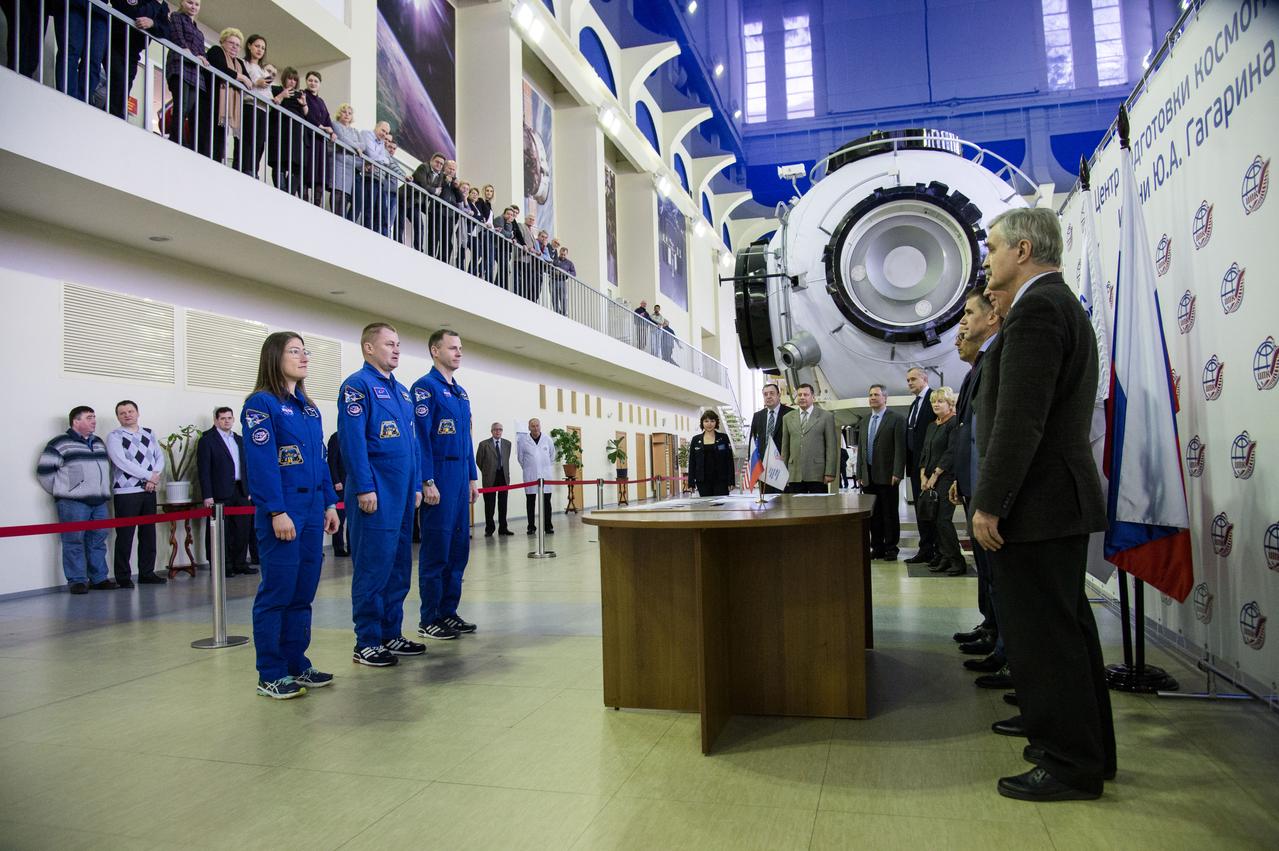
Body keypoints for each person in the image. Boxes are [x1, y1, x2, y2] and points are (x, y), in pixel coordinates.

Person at [971, 207, 1114, 801]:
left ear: (1023, 251)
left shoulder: (1035, 312)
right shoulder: (1058, 305)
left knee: (1047, 640)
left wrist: (990, 503)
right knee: (1068, 632)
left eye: (993, 247)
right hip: (1054, 499)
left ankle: (1067, 763)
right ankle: (1089, 751)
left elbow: (1019, 423)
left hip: (1038, 503)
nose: (987, 258)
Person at [241, 332, 340, 699]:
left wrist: (330, 503)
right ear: (274, 357)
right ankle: (270, 672)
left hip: (314, 509)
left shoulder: (309, 408)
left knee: (302, 592)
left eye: (305, 351)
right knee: (277, 593)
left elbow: (320, 460)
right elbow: (261, 462)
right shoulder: (260, 404)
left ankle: (297, 662)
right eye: (294, 351)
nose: (303, 357)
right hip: (284, 511)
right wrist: (276, 510)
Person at [338, 323, 427, 667]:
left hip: (403, 494)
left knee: (398, 567)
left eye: (399, 344)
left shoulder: (403, 393)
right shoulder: (357, 387)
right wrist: (364, 487)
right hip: (375, 493)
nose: (396, 349)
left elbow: (413, 445)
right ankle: (367, 640)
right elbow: (353, 442)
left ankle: (391, 633)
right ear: (368, 348)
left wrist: (417, 484)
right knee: (373, 568)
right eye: (389, 344)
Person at [412, 330, 479, 641]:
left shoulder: (462, 393)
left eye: (460, 348)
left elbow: (465, 440)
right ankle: (429, 617)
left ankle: (448, 612)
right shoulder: (425, 389)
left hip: (459, 478)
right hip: (437, 477)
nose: (458, 352)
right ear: (434, 351)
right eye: (452, 348)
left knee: (458, 550)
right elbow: (421, 439)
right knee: (436, 550)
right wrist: (426, 480)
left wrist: (472, 477)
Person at [949, 290, 1004, 665]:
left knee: (998, 574)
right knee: (986, 571)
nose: (962, 324)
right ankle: (992, 628)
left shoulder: (996, 361)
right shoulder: (977, 368)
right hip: (972, 483)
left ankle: (1003, 643)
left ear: (992, 317)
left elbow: (991, 435)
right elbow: (967, 432)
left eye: (969, 313)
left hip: (988, 487)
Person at [37, 406, 115, 594]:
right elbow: (45, 473)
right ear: (76, 421)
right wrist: (65, 491)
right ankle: (77, 580)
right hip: (73, 503)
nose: (94, 421)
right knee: (74, 541)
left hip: (100, 502)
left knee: (98, 540)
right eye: (89, 417)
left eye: (94, 417)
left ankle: (99, 578)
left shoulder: (98, 443)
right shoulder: (60, 443)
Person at [104, 400, 165, 588]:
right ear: (118, 417)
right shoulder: (115, 436)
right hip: (126, 491)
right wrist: (149, 476)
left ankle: (147, 572)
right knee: (125, 535)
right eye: (122, 413)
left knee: (148, 534)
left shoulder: (149, 433)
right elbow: (121, 462)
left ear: (137, 413)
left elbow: (159, 457)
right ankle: (123, 576)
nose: (127, 415)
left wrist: (152, 478)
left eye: (130, 411)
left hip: (149, 489)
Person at [196, 406, 255, 577]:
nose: (226, 421)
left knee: (242, 529)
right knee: (222, 531)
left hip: (241, 489)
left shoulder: (240, 440)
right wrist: (207, 495)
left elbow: (247, 466)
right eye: (222, 418)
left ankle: (240, 563)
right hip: (219, 491)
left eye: (229, 418)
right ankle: (224, 565)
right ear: (215, 420)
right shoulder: (207, 440)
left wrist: (250, 489)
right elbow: (204, 470)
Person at [857, 384, 907, 560]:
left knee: (889, 514)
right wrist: (859, 474)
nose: (872, 398)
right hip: (868, 475)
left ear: (885, 398)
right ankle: (876, 547)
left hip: (887, 475)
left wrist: (898, 472)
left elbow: (901, 449)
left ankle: (891, 548)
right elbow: (861, 450)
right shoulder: (864, 421)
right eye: (870, 395)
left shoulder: (896, 419)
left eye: (876, 395)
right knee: (873, 514)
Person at [918, 388, 963, 575]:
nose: (936, 404)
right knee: (935, 521)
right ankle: (944, 558)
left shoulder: (954, 423)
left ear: (950, 403)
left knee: (944, 520)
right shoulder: (931, 425)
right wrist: (923, 475)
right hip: (929, 479)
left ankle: (957, 560)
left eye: (940, 401)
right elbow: (925, 452)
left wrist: (935, 475)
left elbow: (951, 452)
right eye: (933, 402)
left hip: (946, 478)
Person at [107, 0, 171, 120]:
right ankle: (114, 118)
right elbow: (131, 12)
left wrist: (153, 24)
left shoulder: (162, 5)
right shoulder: (157, 4)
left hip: (133, 52)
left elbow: (167, 32)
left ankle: (116, 117)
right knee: (119, 80)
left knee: (126, 85)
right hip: (115, 43)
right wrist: (155, 4)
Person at [164, 0, 210, 155]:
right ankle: (177, 139)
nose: (193, 6)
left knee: (189, 108)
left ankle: (181, 138)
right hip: (180, 64)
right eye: (190, 2)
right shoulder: (176, 16)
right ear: (182, 2)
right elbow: (179, 40)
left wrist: (201, 58)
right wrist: (196, 57)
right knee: (181, 105)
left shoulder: (199, 31)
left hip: (195, 72)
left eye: (197, 4)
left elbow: (202, 53)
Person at [903, 366, 938, 565]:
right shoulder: (914, 404)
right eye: (908, 380)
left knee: (932, 511)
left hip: (931, 467)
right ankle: (925, 550)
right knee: (921, 509)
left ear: (924, 378)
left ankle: (936, 551)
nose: (909, 383)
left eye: (913, 379)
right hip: (916, 467)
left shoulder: (933, 399)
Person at [204, 28, 252, 166]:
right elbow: (220, 68)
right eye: (231, 43)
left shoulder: (239, 63)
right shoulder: (216, 51)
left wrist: (241, 78)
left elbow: (248, 84)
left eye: (237, 45)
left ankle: (217, 162)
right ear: (223, 42)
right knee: (210, 133)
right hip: (213, 100)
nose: (234, 47)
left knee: (221, 137)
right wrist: (240, 77)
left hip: (228, 106)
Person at [779, 383, 838, 494]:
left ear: (813, 397)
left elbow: (831, 447)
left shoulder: (826, 417)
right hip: (794, 474)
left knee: (818, 509)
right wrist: (783, 472)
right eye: (799, 395)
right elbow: (785, 448)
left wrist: (830, 472)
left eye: (805, 394)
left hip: (817, 474)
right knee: (796, 509)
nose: (802, 397)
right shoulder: (787, 418)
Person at [268, 67, 309, 197]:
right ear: (284, 78)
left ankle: (288, 195)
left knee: (297, 166)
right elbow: (272, 105)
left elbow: (306, 115)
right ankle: (282, 193)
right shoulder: (276, 90)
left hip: (296, 135)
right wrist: (282, 95)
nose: (292, 82)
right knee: (279, 162)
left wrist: (303, 104)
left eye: (295, 80)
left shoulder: (299, 95)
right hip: (281, 132)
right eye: (290, 79)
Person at [747, 383, 793, 494]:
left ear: (779, 395)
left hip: (783, 467)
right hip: (764, 469)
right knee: (767, 505)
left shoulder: (791, 413)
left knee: (785, 505)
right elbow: (752, 441)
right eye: (765, 394)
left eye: (772, 393)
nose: (768, 396)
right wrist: (754, 466)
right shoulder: (758, 416)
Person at [516, 418, 555, 535]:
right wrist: (529, 467)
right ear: (529, 428)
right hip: (530, 476)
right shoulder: (523, 441)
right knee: (530, 502)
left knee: (546, 502)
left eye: (537, 425)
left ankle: (548, 526)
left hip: (545, 475)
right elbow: (520, 458)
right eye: (533, 426)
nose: (535, 428)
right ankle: (531, 527)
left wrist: (544, 466)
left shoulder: (547, 439)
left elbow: (552, 455)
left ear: (540, 426)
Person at [301, 71, 334, 206]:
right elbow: (306, 115)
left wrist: (332, 131)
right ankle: (303, 198)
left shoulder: (321, 101)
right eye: (310, 80)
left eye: (315, 81)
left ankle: (316, 202)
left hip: (320, 142)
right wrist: (320, 126)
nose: (312, 83)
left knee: (320, 173)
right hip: (308, 138)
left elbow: (327, 119)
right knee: (307, 169)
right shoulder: (304, 95)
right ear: (306, 82)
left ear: (319, 84)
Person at [475, 423, 514, 537]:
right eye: (496, 430)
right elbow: (479, 461)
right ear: (491, 431)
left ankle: (503, 528)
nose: (498, 432)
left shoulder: (507, 444)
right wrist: (487, 471)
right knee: (489, 505)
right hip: (490, 478)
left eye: (500, 429)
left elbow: (506, 459)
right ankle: (489, 529)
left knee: (503, 504)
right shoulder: (484, 444)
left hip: (503, 477)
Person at [686, 410, 734, 497]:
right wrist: (691, 483)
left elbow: (729, 460)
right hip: (703, 481)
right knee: (706, 507)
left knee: (721, 507)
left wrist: (731, 481)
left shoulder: (723, 438)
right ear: (702, 423)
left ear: (716, 422)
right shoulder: (696, 440)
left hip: (721, 480)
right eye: (706, 421)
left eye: (712, 421)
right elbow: (692, 462)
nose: (709, 424)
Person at [329, 103, 363, 223]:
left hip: (350, 166)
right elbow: (342, 138)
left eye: (349, 113)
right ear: (340, 113)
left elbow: (362, 145)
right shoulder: (335, 124)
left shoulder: (355, 131)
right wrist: (355, 147)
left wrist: (354, 147)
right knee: (338, 192)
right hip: (338, 161)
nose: (347, 115)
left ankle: (341, 222)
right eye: (344, 112)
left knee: (346, 196)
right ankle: (336, 222)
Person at [325, 431, 348, 556]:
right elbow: (331, 461)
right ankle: (338, 547)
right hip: (341, 485)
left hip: (353, 484)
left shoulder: (356, 435)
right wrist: (336, 480)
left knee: (353, 520)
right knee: (339, 517)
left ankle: (352, 546)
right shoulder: (336, 437)